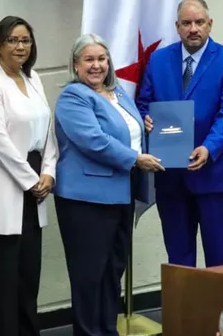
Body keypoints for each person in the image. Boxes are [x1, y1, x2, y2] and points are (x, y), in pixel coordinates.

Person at [54, 34, 164, 336]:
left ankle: (107, 330)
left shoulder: (118, 92)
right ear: (76, 65)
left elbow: (128, 129)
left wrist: (146, 126)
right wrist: (135, 158)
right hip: (86, 200)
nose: (96, 65)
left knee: (113, 270)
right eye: (88, 59)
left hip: (121, 194)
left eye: (101, 59)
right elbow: (94, 141)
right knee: (89, 274)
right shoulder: (73, 97)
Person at [137, 0, 223, 268]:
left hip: (215, 176)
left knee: (219, 261)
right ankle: (184, 301)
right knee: (179, 261)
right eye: (186, 23)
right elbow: (143, 104)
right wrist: (145, 120)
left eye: (199, 22)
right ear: (177, 27)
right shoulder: (158, 60)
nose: (193, 29)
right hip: (171, 178)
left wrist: (209, 147)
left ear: (210, 24)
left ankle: (218, 300)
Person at [0, 17, 57, 336]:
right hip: (5, 184)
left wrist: (48, 171)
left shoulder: (33, 78)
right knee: (5, 279)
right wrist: (31, 180)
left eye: (26, 40)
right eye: (12, 40)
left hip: (36, 181)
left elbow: (48, 130)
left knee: (28, 274)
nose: (20, 46)